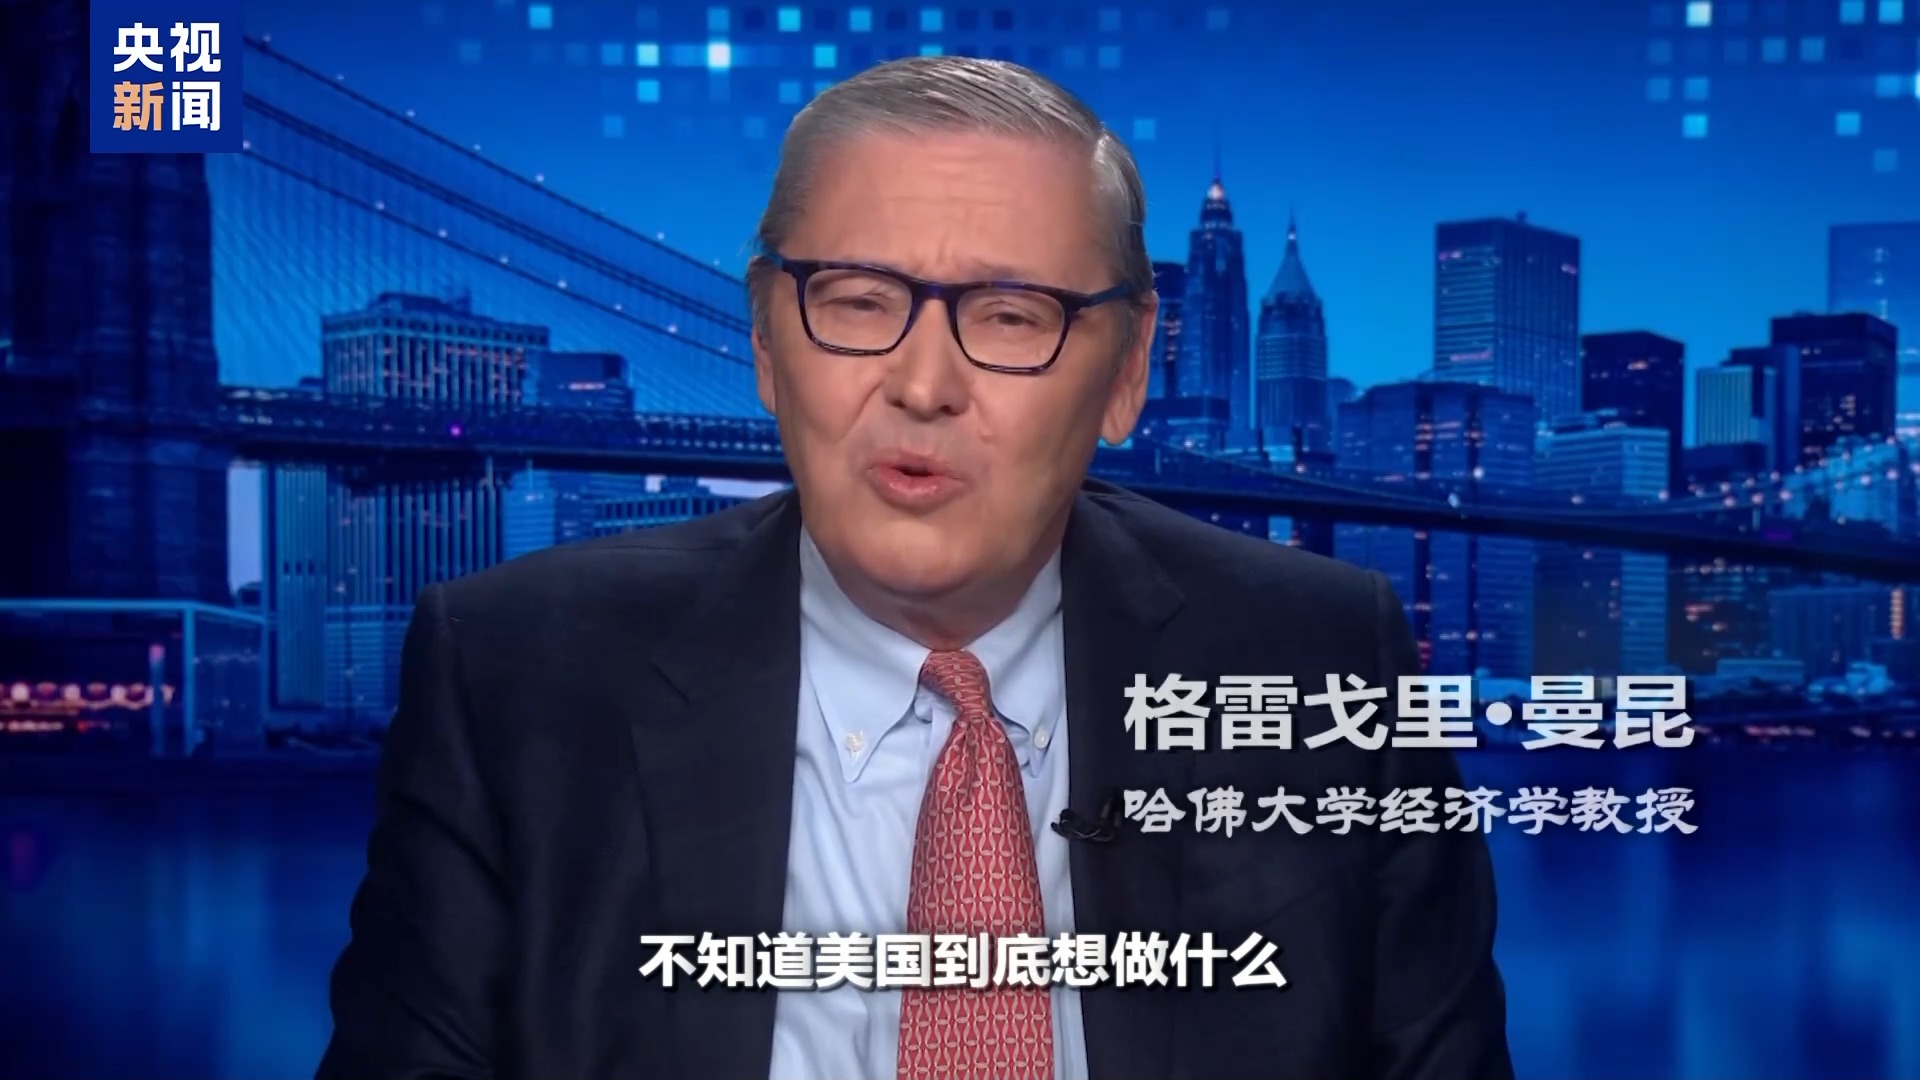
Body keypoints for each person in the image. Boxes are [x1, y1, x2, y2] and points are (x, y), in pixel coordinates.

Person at [317, 55, 1511, 1080]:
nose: (924, 385)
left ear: (1128, 372)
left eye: (1011, 316)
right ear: (766, 344)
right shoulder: (512, 675)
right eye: (855, 302)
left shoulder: (1320, 664)